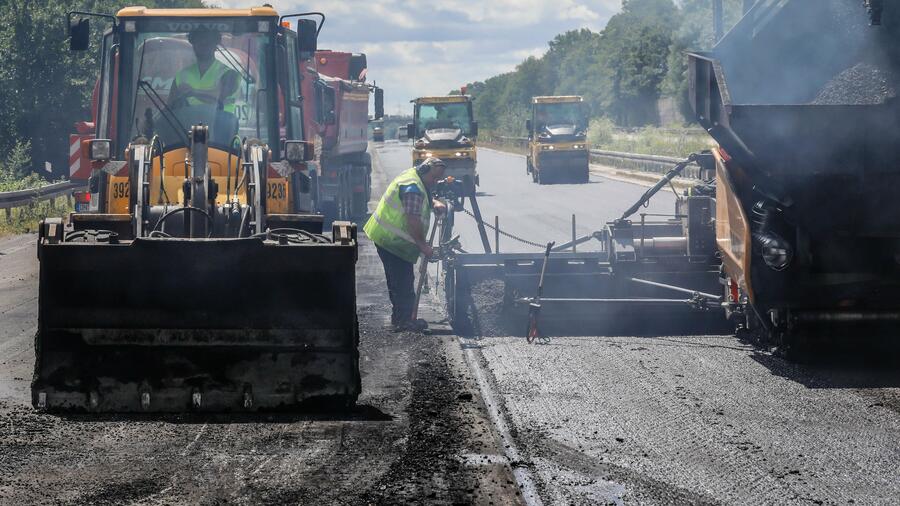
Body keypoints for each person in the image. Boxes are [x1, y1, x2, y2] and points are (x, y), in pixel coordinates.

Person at [364, 157, 448, 331]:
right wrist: (423, 246)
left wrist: (434, 203)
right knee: (403, 282)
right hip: (392, 240)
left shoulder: (413, 177)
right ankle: (405, 322)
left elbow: (421, 200)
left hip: (386, 237)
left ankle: (400, 318)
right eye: (434, 178)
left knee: (397, 280)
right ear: (425, 171)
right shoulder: (413, 189)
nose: (435, 182)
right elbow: (413, 220)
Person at [168, 29, 240, 114]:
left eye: (208, 42)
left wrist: (193, 92)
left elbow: (218, 96)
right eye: (199, 41)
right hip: (185, 125)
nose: (203, 45)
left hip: (221, 124)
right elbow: (170, 109)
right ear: (193, 45)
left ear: (215, 46)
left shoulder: (229, 74)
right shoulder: (182, 75)